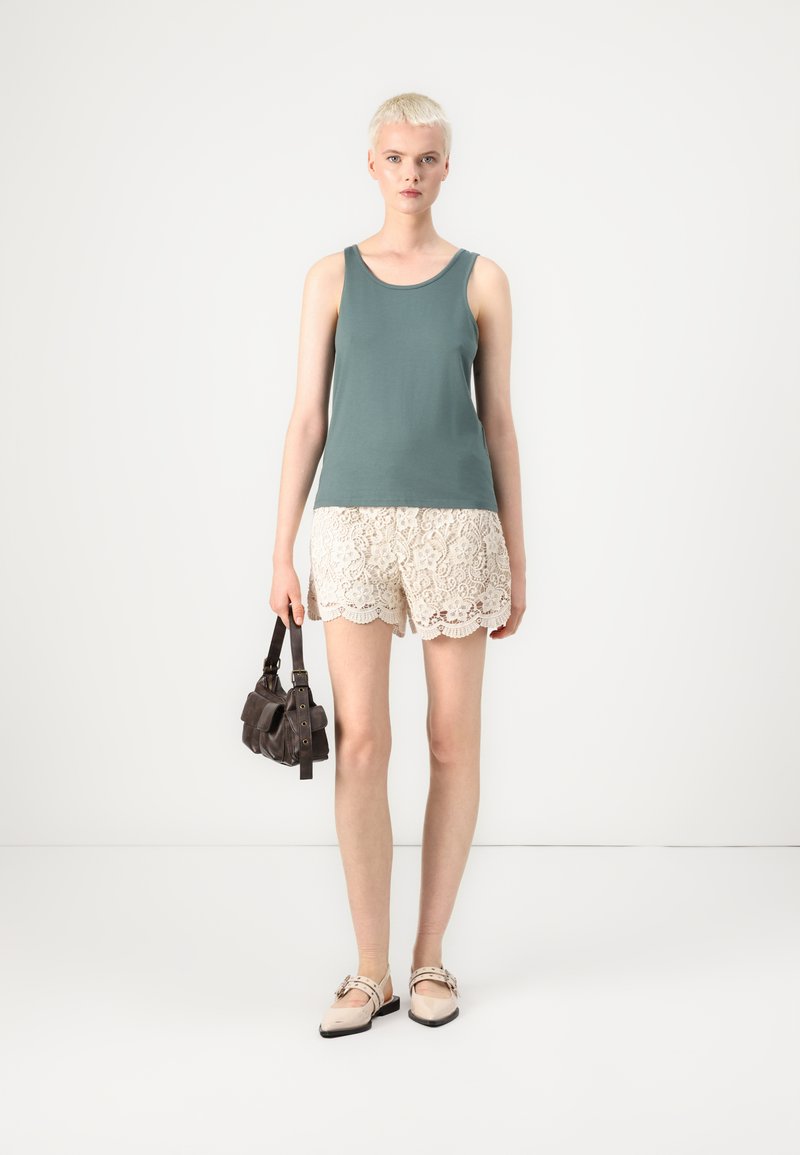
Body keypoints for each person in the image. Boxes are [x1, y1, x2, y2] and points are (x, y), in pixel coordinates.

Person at [269, 92, 526, 1037]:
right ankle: (369, 969)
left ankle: (429, 959)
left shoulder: (483, 280)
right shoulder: (329, 277)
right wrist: (281, 547)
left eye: (425, 158)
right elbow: (308, 418)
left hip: (459, 527)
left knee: (453, 743)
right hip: (351, 527)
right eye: (394, 157)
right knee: (363, 744)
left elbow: (499, 423)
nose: (409, 173)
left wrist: (518, 552)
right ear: (371, 165)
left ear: (445, 167)